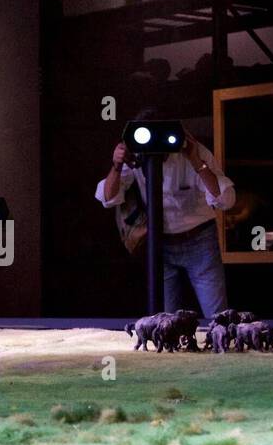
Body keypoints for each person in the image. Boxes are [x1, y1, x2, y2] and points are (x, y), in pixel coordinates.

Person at [96, 135, 235, 316]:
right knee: (165, 320)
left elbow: (226, 200)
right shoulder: (138, 153)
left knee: (217, 316)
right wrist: (117, 165)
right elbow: (108, 198)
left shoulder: (193, 150)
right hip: (161, 243)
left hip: (200, 240)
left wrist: (196, 161)